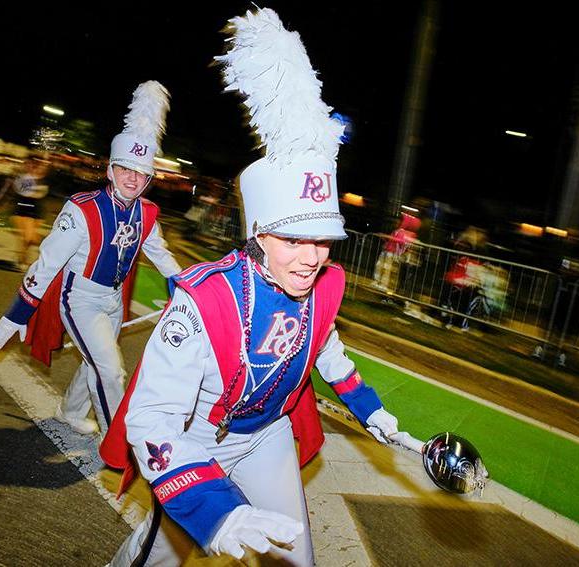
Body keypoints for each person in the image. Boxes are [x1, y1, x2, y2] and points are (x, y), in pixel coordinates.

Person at [100, 10, 405, 565]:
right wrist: (220, 512)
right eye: (294, 239)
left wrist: (371, 408)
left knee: (298, 559)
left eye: (324, 241)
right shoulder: (205, 298)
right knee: (159, 557)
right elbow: (152, 418)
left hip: (268, 436)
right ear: (259, 233)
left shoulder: (321, 283)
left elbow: (323, 346)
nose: (312, 258)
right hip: (200, 440)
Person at [0, 82, 181, 436]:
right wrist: (17, 312)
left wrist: (185, 286)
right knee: (110, 369)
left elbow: (160, 255)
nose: (132, 178)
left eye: (140, 173)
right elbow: (47, 263)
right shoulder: (81, 208)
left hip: (113, 298)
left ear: (148, 180)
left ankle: (70, 410)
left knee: (99, 358)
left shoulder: (148, 213)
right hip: (80, 299)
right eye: (125, 169)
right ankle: (117, 441)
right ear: (110, 170)